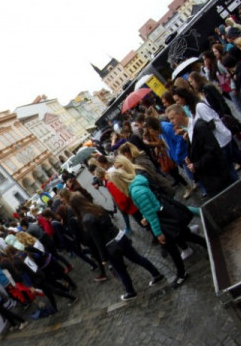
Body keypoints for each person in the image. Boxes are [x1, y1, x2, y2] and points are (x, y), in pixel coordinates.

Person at [113, 157, 207, 288]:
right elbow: (151, 204)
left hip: (162, 220)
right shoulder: (137, 182)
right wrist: (146, 216)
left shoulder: (135, 191)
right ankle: (203, 248)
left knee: (174, 245)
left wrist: (157, 233)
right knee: (183, 236)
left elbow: (152, 212)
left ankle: (182, 273)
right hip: (163, 215)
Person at [68, 192, 164, 301]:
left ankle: (130, 292)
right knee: (137, 258)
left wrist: (103, 258)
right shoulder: (97, 207)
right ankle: (156, 274)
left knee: (120, 270)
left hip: (111, 245)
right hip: (120, 236)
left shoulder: (86, 219)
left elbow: (98, 240)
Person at [166, 104, 232, 197]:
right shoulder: (189, 130)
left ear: (181, 114)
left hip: (216, 175)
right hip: (209, 177)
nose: (171, 122)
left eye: (172, 118)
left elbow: (212, 150)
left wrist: (196, 165)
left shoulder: (199, 127)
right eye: (170, 119)